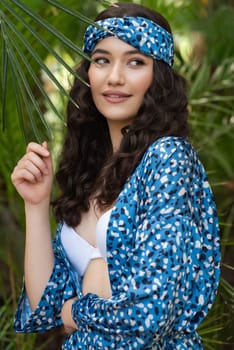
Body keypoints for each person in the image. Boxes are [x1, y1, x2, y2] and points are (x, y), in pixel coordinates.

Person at [11, 2, 220, 349]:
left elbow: (150, 313)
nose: (115, 77)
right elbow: (45, 308)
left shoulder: (168, 158)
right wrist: (36, 205)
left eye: (135, 62)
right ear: (87, 73)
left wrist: (78, 312)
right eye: (102, 60)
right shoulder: (88, 173)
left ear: (159, 76)